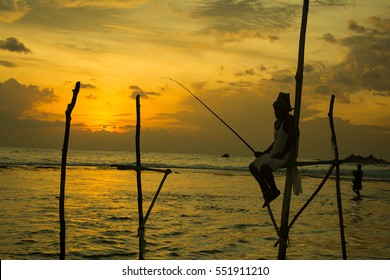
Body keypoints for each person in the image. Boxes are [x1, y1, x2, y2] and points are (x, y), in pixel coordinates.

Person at [249, 92, 297, 207]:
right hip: (274, 154)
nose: (276, 113)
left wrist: (282, 154)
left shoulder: (289, 121)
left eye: (279, 110)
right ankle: (266, 191)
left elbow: (291, 139)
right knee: (253, 167)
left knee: (265, 168)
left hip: (285, 155)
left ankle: (274, 191)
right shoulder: (276, 123)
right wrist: (263, 153)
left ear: (285, 110)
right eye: (275, 110)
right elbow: (275, 142)